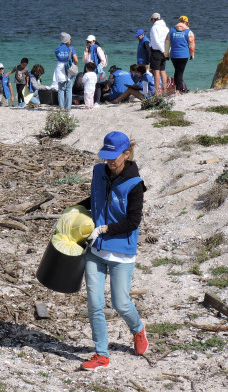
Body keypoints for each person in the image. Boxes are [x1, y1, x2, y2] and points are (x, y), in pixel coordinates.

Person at [76, 131, 148, 371]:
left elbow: (133, 221)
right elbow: (97, 199)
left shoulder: (134, 184)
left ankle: (138, 330)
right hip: (96, 250)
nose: (109, 162)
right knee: (94, 303)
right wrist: (73, 210)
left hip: (121, 252)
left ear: (126, 155)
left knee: (120, 303)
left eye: (114, 157)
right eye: (106, 156)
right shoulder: (99, 172)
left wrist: (105, 228)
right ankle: (101, 353)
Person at [166, 15, 195, 94]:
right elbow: (191, 44)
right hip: (183, 55)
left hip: (174, 55)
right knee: (180, 72)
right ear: (186, 22)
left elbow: (167, 42)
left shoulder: (171, 31)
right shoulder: (189, 32)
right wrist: (192, 54)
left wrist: (166, 54)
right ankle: (178, 91)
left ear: (179, 21)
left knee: (177, 71)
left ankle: (177, 88)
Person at [53, 32, 78, 109]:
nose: (70, 40)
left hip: (60, 68)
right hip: (68, 68)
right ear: (67, 40)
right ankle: (68, 107)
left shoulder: (57, 49)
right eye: (70, 39)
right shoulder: (71, 48)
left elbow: (58, 58)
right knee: (69, 89)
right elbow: (76, 60)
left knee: (61, 89)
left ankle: (61, 106)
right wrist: (75, 64)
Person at [149, 13, 169, 96]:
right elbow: (168, 41)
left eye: (151, 20)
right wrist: (166, 51)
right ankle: (165, 90)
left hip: (157, 51)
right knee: (163, 70)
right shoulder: (166, 28)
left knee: (156, 71)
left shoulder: (154, 28)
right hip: (165, 51)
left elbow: (156, 41)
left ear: (154, 19)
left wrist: (162, 50)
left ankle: (156, 91)